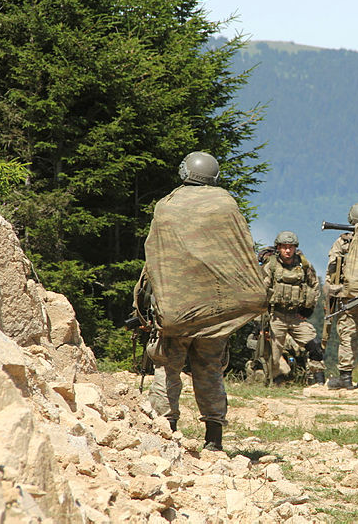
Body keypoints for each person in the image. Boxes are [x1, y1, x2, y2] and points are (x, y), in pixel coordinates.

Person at [139, 151, 266, 451]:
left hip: (176, 308)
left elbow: (155, 257)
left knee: (166, 367)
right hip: (216, 310)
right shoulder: (226, 204)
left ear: (184, 172)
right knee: (209, 368)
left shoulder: (167, 206)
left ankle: (165, 433)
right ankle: (214, 440)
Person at [262, 230, 325, 385]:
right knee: (272, 356)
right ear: (278, 248)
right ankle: (277, 381)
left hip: (296, 316)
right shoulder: (271, 266)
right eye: (284, 247)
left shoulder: (304, 265)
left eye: (291, 247)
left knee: (315, 345)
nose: (288, 250)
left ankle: (318, 381)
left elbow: (314, 286)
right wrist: (260, 322)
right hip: (275, 316)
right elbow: (261, 293)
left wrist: (308, 309)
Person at [325, 202, 358, 389]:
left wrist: (331, 293)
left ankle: (346, 378)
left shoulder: (343, 242)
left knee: (348, 336)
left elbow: (333, 269)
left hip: (349, 297)